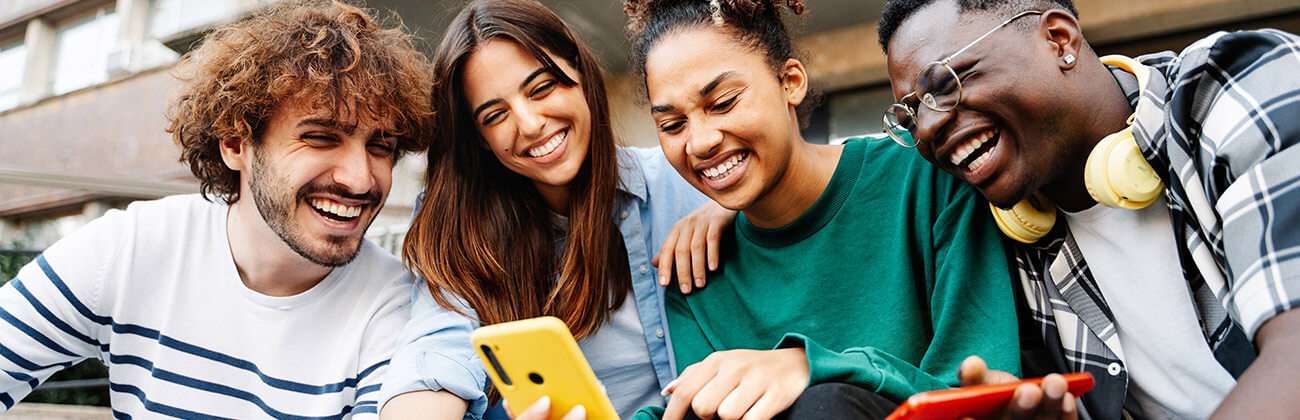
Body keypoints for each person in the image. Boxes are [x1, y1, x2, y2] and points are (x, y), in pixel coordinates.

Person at [0, 1, 434, 417]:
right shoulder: (132, 248)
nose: (360, 179)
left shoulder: (394, 307)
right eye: (320, 137)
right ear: (235, 144)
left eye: (381, 147)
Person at [879, 0, 1300, 418]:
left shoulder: (1237, 86)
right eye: (911, 115)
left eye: (946, 83)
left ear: (1058, 39)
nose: (928, 127)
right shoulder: (1008, 237)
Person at [622, 0, 1022, 419]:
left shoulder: (926, 180)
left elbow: (979, 390)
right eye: (672, 125)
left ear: (790, 82)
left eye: (723, 102)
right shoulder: (695, 272)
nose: (700, 142)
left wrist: (812, 366)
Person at [376, 1, 732, 419]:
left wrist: (741, 207)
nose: (528, 124)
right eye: (495, 115)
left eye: (542, 88)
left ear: (580, 74)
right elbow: (435, 351)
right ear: (481, 140)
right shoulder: (466, 232)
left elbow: (814, 176)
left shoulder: (684, 181)